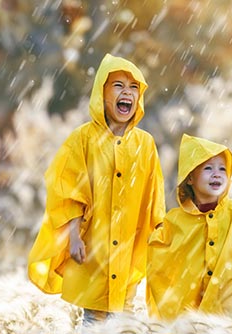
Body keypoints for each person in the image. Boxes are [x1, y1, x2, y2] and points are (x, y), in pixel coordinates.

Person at [27, 53, 166, 324]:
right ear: (101, 93)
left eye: (133, 87)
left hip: (127, 250)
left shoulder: (145, 144)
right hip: (93, 249)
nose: (127, 92)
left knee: (124, 316)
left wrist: (159, 238)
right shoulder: (83, 139)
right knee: (95, 316)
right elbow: (68, 189)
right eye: (118, 86)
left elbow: (154, 197)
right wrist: (74, 236)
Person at [146, 134, 232, 333]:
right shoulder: (175, 220)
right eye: (208, 168)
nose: (217, 174)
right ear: (190, 178)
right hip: (189, 306)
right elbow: (159, 257)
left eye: (223, 169)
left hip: (226, 302)